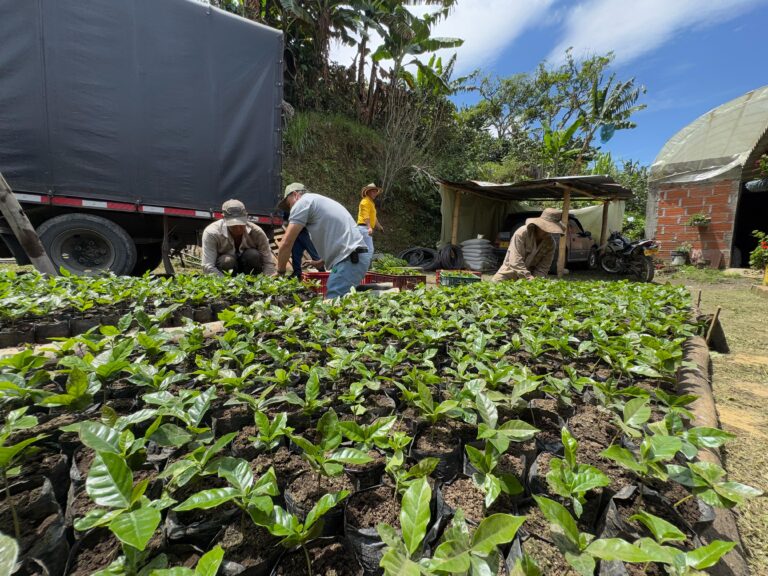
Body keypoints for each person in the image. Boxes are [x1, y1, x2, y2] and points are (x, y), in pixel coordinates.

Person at [276, 183, 371, 298]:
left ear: (295, 195)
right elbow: (338, 234)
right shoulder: (317, 201)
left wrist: (280, 272)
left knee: (333, 299)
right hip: (354, 257)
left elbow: (286, 243)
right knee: (343, 300)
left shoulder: (302, 203)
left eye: (289, 204)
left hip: (351, 259)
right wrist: (321, 261)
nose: (290, 209)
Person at [201, 199, 277, 276]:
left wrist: (267, 282)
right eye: (233, 225)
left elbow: (268, 263)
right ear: (223, 218)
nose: (238, 229)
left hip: (250, 270)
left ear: (246, 217)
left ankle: (252, 283)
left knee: (252, 255)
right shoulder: (212, 233)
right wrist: (227, 284)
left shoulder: (257, 232)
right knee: (227, 261)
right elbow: (208, 266)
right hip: (225, 274)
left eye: (241, 224)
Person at [491, 208, 566, 282]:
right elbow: (515, 261)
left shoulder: (551, 243)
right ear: (540, 224)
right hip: (508, 274)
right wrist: (528, 278)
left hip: (531, 278)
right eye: (547, 227)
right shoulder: (522, 233)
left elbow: (543, 267)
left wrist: (536, 281)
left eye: (551, 228)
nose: (548, 231)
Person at [281, 209, 324, 279]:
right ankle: (297, 272)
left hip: (305, 230)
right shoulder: (289, 208)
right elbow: (285, 216)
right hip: (296, 232)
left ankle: (322, 271)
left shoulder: (303, 206)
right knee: (295, 251)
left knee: (312, 251)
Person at [357, 183, 384, 255]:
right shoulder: (365, 202)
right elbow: (365, 216)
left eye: (376, 192)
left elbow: (374, 218)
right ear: (368, 192)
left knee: (365, 251)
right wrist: (369, 227)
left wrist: (380, 227)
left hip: (365, 228)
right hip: (363, 228)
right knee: (369, 251)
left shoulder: (371, 203)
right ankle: (364, 266)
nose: (375, 193)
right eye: (373, 192)